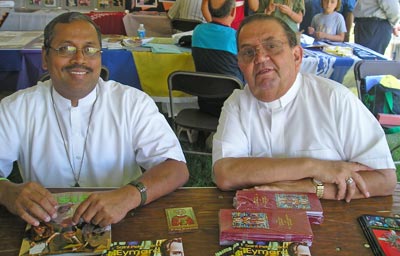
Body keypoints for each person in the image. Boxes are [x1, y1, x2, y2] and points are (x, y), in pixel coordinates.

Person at [0, 12, 189, 228]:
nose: (79, 59)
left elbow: (175, 168)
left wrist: (130, 195)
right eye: (65, 49)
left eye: (89, 50)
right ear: (45, 58)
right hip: (43, 225)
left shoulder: (132, 103)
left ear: (100, 56)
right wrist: (6, 191)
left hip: (123, 220)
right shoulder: (16, 107)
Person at [212, 14, 396, 203]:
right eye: (248, 52)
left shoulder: (335, 99)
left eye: (272, 46)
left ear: (297, 56)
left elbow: (384, 179)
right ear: (240, 65)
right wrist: (315, 168)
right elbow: (225, 174)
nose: (260, 58)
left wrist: (309, 188)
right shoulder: (237, 104)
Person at [192, 0, 244, 117]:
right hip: (234, 107)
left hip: (205, 104)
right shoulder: (236, 37)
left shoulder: (198, 31)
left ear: (209, 10)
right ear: (233, 11)